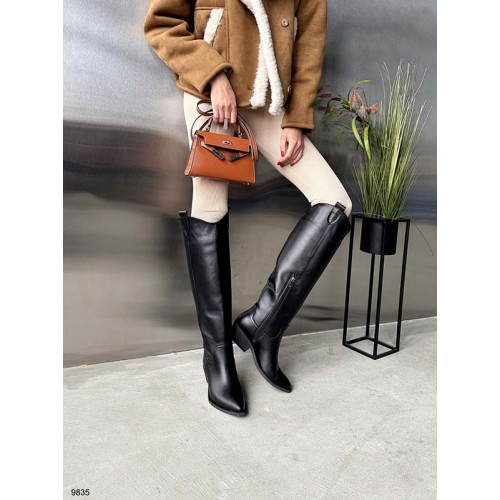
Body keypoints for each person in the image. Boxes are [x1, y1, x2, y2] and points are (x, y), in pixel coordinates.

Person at [144, 0, 352, 417]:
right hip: (211, 96)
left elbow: (309, 43)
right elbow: (162, 23)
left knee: (335, 203)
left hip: (269, 103)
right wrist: (213, 74)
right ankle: (217, 357)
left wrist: (297, 118)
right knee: (210, 209)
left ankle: (264, 325)